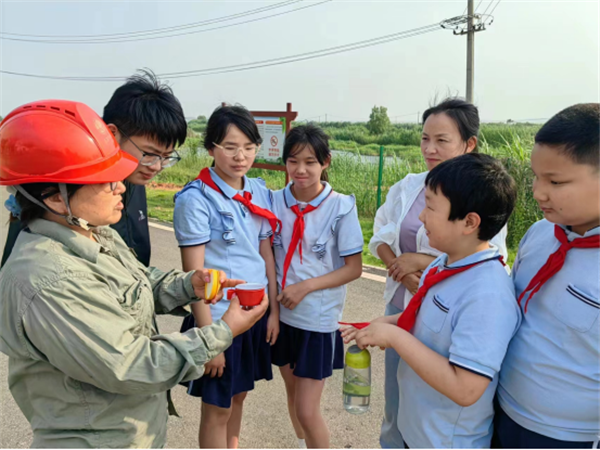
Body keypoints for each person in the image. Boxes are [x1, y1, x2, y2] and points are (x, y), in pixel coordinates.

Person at [0, 100, 268, 448]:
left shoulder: (92, 230)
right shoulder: (49, 279)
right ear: (54, 197)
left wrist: (190, 284)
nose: (121, 187)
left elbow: (138, 281)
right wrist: (222, 332)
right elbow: (134, 364)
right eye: (106, 181)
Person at [343, 153, 520, 448]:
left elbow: (465, 388)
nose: (422, 216)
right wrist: (383, 325)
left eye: (430, 207)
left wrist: (395, 337)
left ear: (469, 222)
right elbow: (424, 321)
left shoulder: (487, 294)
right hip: (417, 431)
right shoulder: (442, 265)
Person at [367, 98, 509, 449]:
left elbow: (464, 387)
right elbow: (382, 233)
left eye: (441, 140)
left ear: (469, 143)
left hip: (443, 436)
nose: (430, 148)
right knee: (399, 403)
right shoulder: (412, 189)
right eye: (424, 138)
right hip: (412, 315)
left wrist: (420, 264)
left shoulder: (485, 291)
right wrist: (395, 317)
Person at [1, 69, 187, 267]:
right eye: (149, 154)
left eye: (166, 157)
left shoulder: (136, 178)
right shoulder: (70, 189)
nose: (157, 166)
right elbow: (21, 271)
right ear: (113, 134)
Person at [493, 103, 600, 448]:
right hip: (498, 409)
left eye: (555, 181)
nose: (538, 192)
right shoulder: (541, 234)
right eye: (537, 176)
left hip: (566, 437)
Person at [173, 105, 279, 449]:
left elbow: (266, 256)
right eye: (230, 147)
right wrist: (209, 342)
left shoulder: (259, 191)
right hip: (219, 321)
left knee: (239, 398)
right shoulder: (196, 198)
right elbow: (195, 277)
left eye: (249, 147)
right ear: (211, 149)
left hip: (253, 316)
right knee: (216, 409)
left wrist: (272, 311)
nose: (240, 156)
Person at [270, 125, 363, 449]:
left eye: (310, 161)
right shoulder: (274, 201)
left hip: (317, 322)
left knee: (307, 410)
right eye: (293, 161)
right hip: (282, 317)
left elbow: (354, 269)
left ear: (326, 162)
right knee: (292, 395)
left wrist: (305, 287)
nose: (300, 170)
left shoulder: (340, 207)